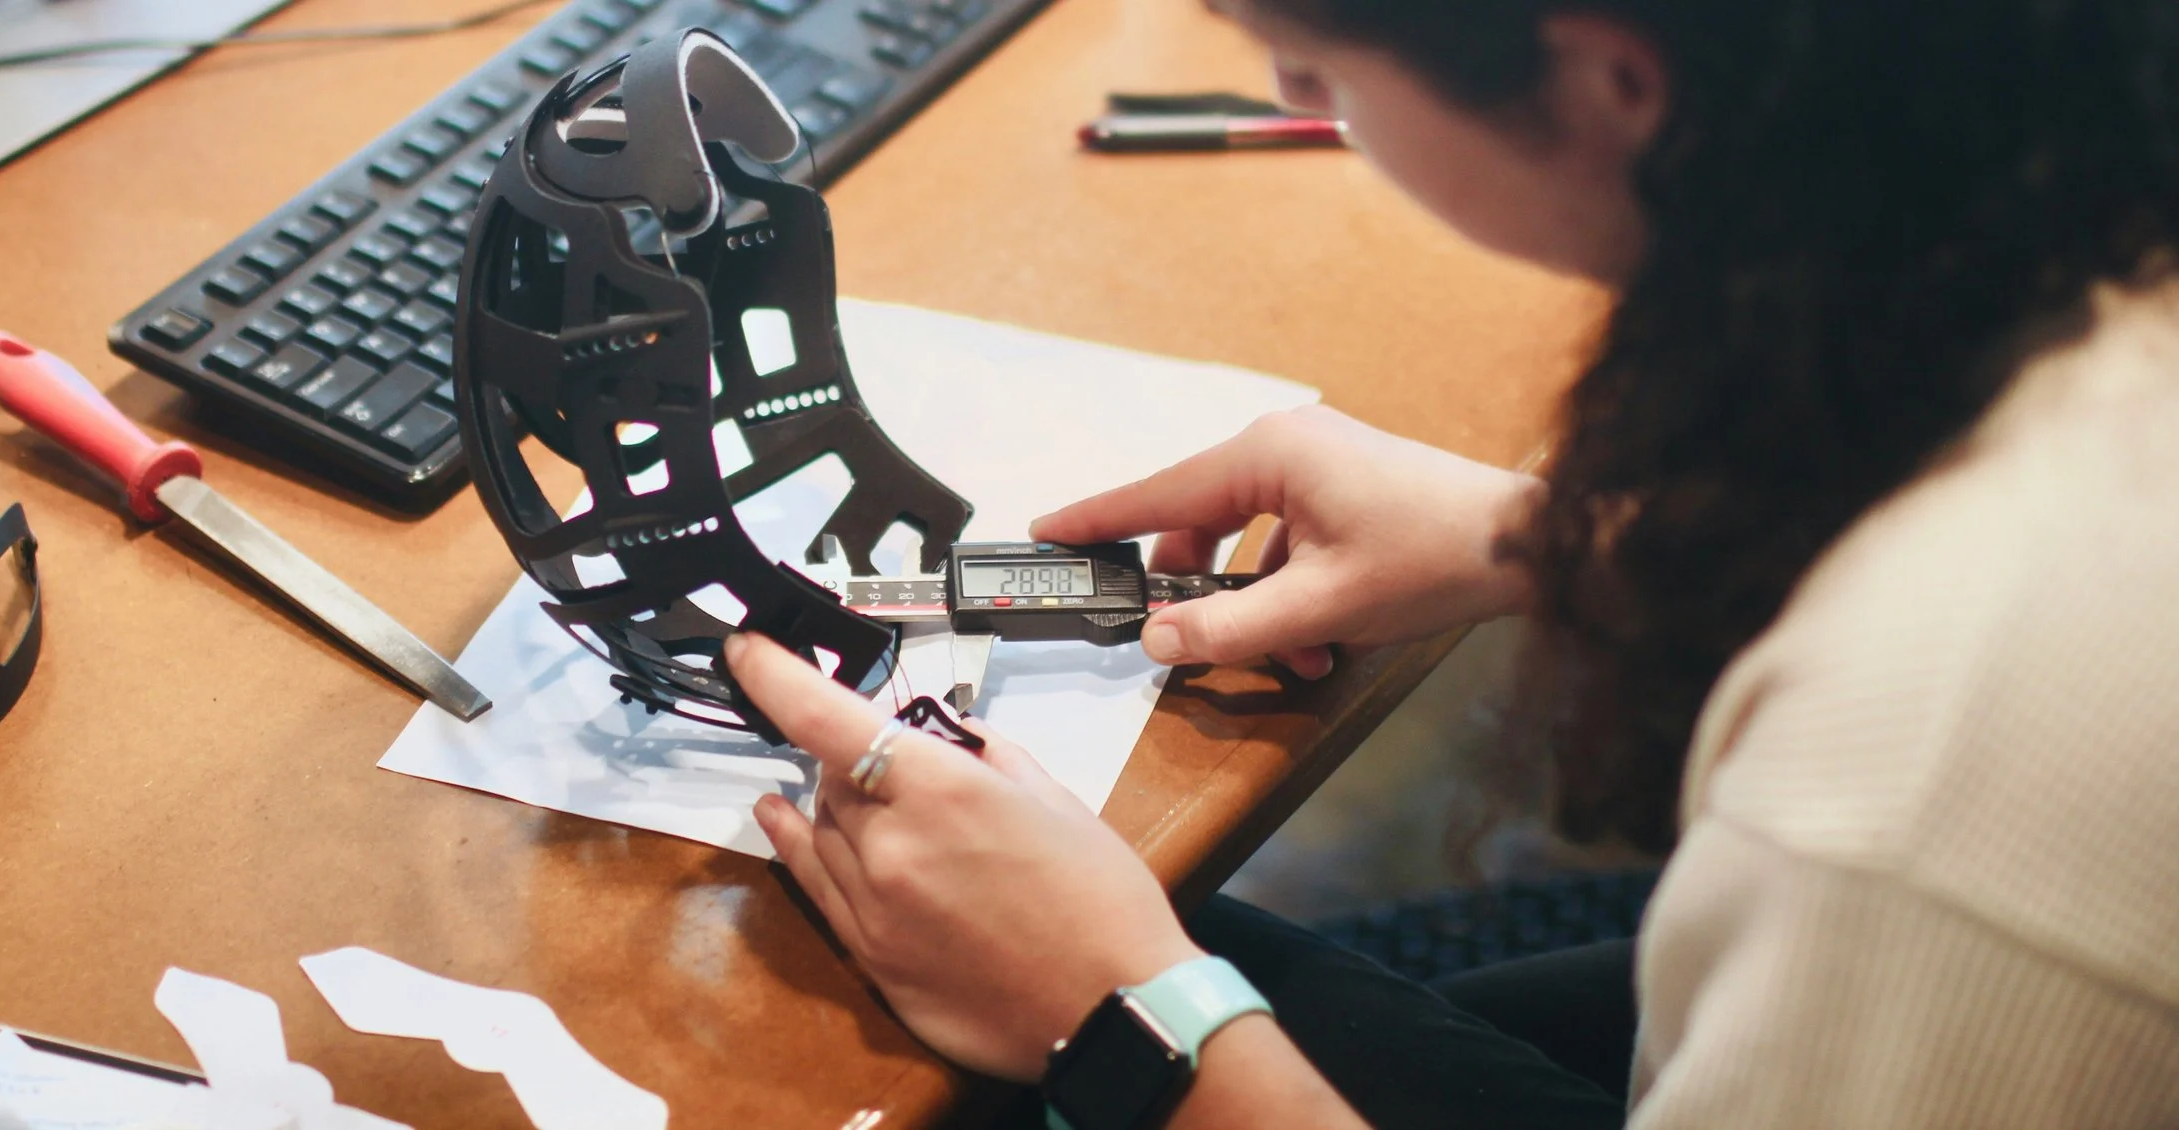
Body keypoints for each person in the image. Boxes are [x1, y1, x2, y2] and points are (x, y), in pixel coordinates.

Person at [726, 0, 2179, 1125]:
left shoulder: (1919, 799)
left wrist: (1117, 1013)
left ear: (1613, 82)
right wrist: (1556, 535)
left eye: (1318, 69)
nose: (1298, 102)